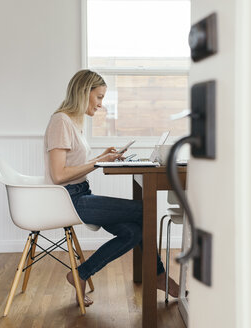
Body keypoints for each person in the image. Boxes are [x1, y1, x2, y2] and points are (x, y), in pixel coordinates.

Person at [44, 69, 181, 306]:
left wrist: (101, 156)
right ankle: (158, 275)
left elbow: (73, 164)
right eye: (98, 97)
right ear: (83, 92)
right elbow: (58, 175)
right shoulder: (61, 122)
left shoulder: (72, 123)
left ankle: (80, 274)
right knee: (142, 209)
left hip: (79, 194)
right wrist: (98, 163)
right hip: (69, 199)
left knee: (133, 232)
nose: (100, 105)